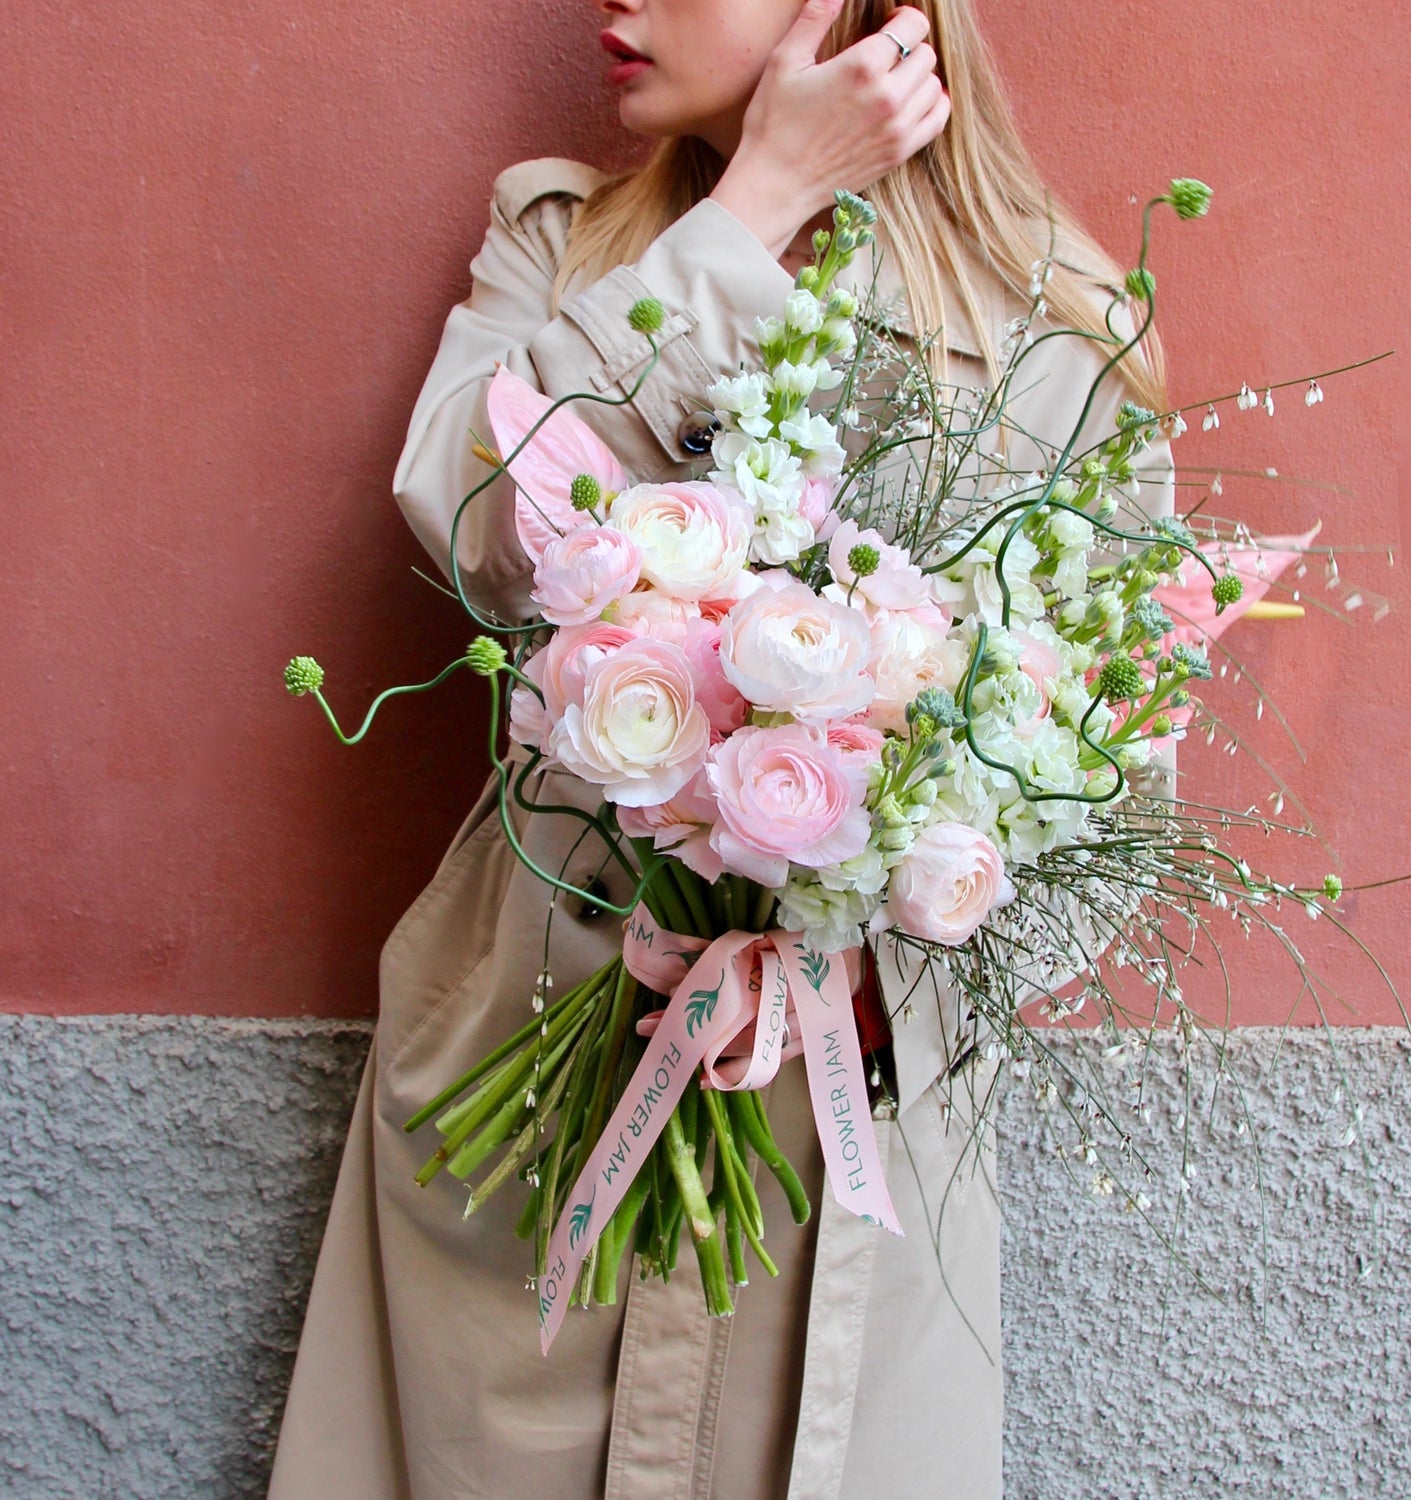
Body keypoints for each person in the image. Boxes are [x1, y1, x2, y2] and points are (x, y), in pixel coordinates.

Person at [268, 2, 1174, 1496]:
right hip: (537, 1046)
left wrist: (894, 957)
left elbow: (1114, 750)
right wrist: (757, 205)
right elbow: (478, 530)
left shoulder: (1056, 316)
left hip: (849, 1103)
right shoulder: (559, 244)